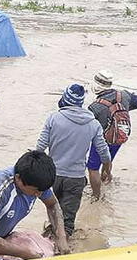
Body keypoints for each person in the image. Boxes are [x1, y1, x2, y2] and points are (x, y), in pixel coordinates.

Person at [36, 84, 112, 236]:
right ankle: (65, 249)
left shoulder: (53, 118)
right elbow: (104, 152)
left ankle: (51, 242)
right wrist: (106, 169)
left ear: (65, 99)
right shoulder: (93, 124)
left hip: (53, 176)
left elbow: (40, 148)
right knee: (68, 220)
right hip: (76, 178)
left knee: (53, 212)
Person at [87, 70, 137, 199]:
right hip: (120, 135)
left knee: (93, 168)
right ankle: (106, 181)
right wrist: (125, 108)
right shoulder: (124, 95)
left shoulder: (94, 107)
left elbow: (88, 128)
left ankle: (96, 197)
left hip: (102, 139)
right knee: (108, 160)